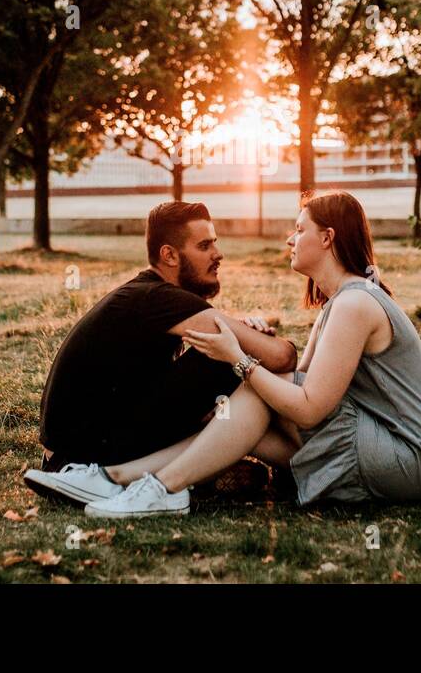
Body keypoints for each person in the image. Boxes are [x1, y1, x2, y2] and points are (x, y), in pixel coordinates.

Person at [25, 190, 421, 518]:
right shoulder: (340, 302)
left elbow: (308, 407)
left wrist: (239, 359)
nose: (290, 238)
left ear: (327, 237)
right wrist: (244, 353)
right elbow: (294, 379)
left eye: (300, 229)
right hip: (379, 448)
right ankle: (117, 478)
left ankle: (161, 488)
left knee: (254, 391)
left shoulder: (354, 304)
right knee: (240, 422)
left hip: (406, 458)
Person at [24, 201, 296, 505]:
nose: (218, 254)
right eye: (204, 246)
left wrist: (245, 335)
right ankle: (301, 463)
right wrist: (252, 340)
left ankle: (288, 465)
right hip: (82, 459)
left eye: (214, 243)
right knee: (223, 359)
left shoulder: (149, 294)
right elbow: (282, 357)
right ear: (169, 255)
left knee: (229, 353)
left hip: (77, 448)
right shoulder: (158, 298)